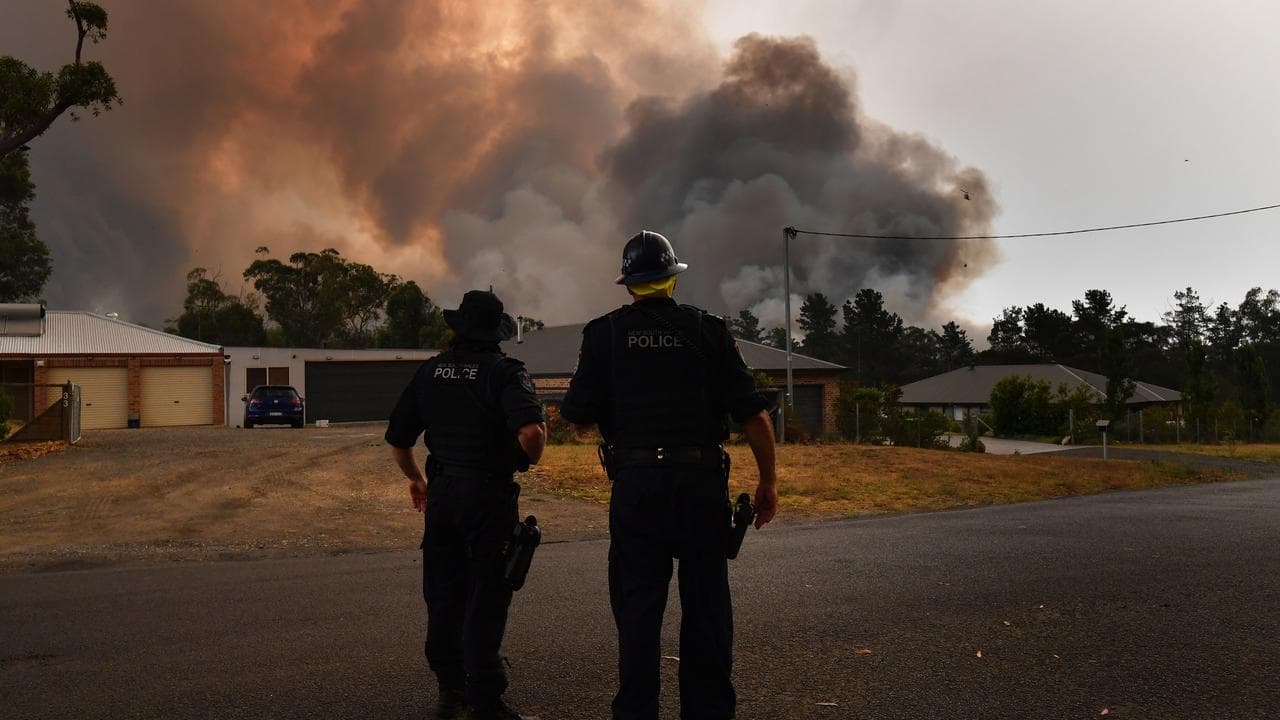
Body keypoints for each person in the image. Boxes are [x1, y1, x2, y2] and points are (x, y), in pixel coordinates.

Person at [560, 230, 779, 720]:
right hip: (700, 488)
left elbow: (576, 415)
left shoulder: (603, 334)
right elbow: (755, 416)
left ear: (629, 283)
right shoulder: (709, 331)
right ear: (671, 277)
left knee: (638, 610)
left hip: (636, 489)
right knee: (706, 610)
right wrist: (768, 482)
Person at [386, 289, 547, 720]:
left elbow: (399, 439)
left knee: (443, 593)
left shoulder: (430, 372)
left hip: (442, 496)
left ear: (458, 327)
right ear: (496, 331)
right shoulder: (505, 372)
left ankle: (449, 690)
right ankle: (486, 701)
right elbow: (531, 434)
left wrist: (417, 480)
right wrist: (527, 458)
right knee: (486, 596)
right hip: (488, 497)